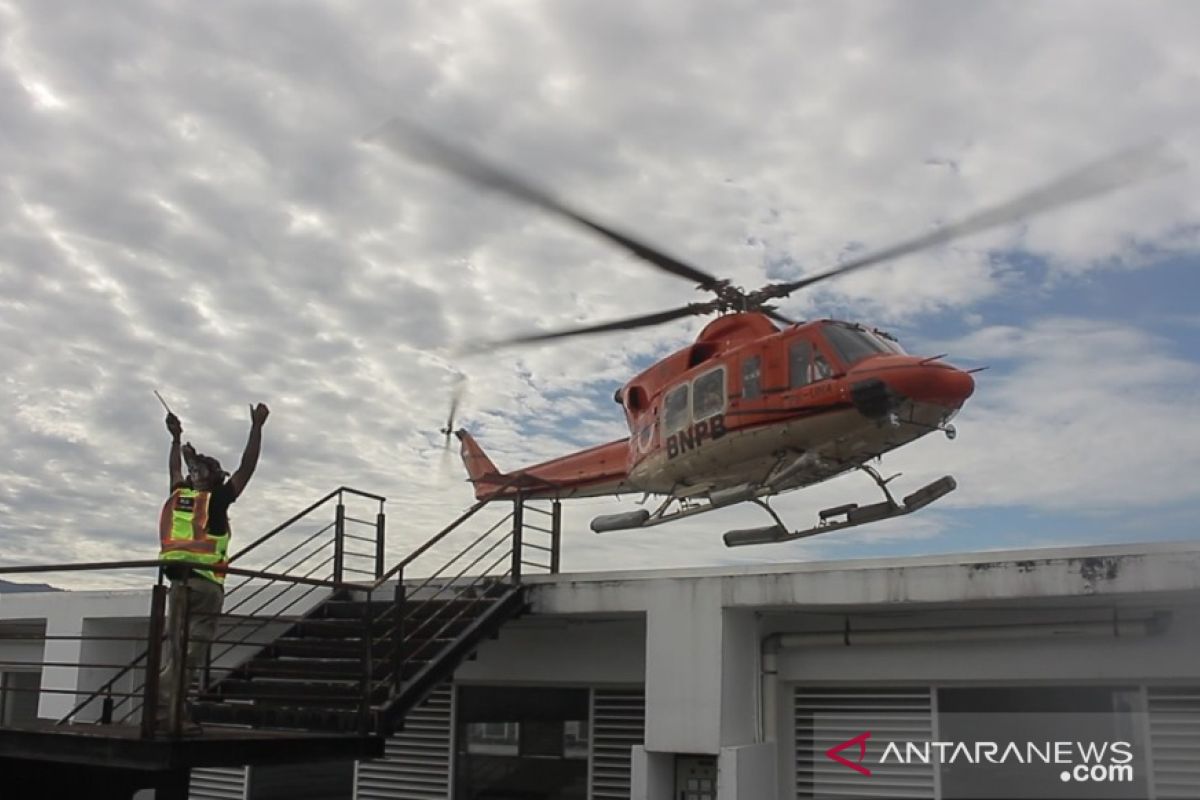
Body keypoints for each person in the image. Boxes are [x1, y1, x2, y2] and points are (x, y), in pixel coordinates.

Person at [156, 403, 269, 731]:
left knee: (176, 651)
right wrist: (257, 427)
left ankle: (168, 709)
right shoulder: (217, 500)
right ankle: (169, 713)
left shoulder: (182, 497)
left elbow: (174, 471)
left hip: (177, 583)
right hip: (205, 587)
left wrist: (175, 440)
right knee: (189, 655)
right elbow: (248, 468)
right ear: (217, 478)